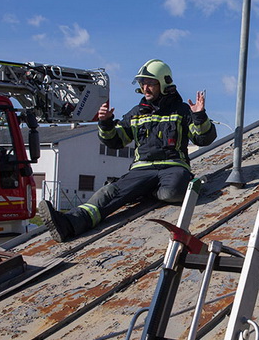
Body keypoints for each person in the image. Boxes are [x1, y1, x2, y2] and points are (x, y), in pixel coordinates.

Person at [39, 59, 217, 242]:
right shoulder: (135, 113)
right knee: (109, 193)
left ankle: (143, 191)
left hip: (173, 167)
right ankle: (70, 223)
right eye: (143, 83)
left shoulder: (183, 111)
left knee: (175, 191)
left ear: (163, 84)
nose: (145, 88)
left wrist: (199, 116)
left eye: (150, 83)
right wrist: (106, 123)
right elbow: (116, 140)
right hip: (142, 170)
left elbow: (203, 139)